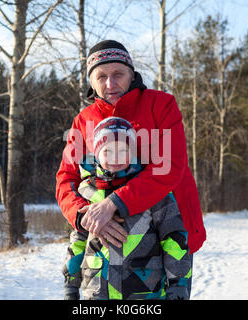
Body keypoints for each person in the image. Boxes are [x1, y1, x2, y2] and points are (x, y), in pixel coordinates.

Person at [56, 39, 206, 296]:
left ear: (132, 73)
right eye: (101, 76)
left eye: (118, 74)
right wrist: (85, 216)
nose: (110, 84)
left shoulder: (161, 106)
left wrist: (111, 204)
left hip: (168, 233)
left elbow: (168, 166)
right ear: (90, 81)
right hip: (104, 246)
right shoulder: (82, 122)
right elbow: (67, 180)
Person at [62, 117, 191, 300]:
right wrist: (71, 283)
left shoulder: (152, 191)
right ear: (97, 153)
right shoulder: (87, 192)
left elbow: (174, 238)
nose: (116, 157)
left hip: (145, 291)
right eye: (108, 151)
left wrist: (178, 283)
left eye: (123, 150)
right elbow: (78, 241)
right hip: (98, 291)